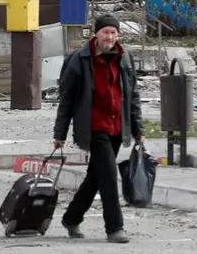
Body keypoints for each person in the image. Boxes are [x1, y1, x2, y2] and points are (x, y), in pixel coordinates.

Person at [52, 14, 144, 244]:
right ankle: (115, 228)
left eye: (114, 33)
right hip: (94, 127)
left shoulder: (125, 57)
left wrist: (137, 129)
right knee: (109, 176)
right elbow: (67, 100)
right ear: (96, 34)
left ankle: (71, 218)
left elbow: (132, 96)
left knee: (96, 176)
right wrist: (60, 133)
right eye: (106, 32)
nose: (110, 37)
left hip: (116, 127)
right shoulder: (79, 59)